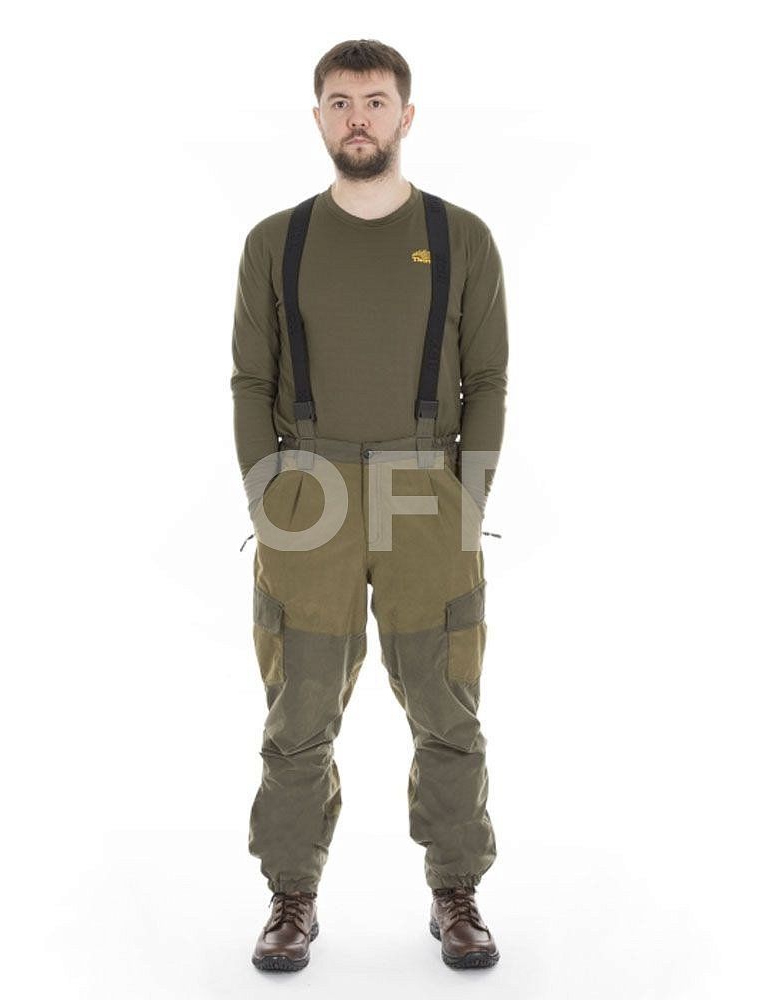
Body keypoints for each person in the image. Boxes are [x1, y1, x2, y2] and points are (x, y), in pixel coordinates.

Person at [230, 39, 508, 972]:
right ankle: (291, 895)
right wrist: (267, 494)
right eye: (342, 102)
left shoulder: (462, 237)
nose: (359, 118)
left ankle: (456, 891)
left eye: (376, 101)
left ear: (405, 116)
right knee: (300, 706)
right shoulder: (276, 241)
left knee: (445, 701)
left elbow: (487, 378)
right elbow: (250, 380)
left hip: (426, 488)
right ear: (319, 118)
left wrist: (468, 496)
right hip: (308, 492)